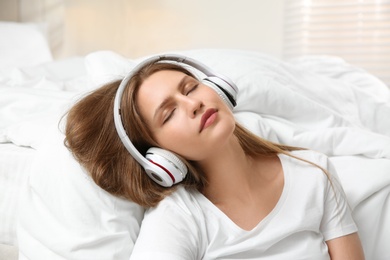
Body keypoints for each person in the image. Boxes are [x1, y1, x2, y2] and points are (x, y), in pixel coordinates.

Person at [65, 55, 365, 259]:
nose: (192, 103)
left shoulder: (314, 172)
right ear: (157, 157)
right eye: (169, 114)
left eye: (191, 87)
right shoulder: (180, 218)